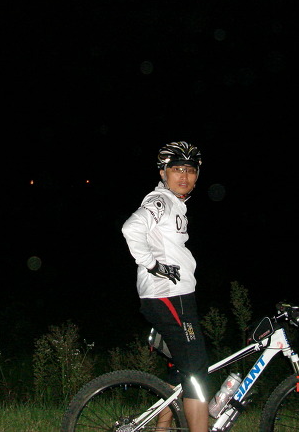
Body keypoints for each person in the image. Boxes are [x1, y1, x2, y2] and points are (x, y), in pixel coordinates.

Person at [121, 140, 209, 432]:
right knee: (196, 372)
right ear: (163, 173)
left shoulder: (176, 204)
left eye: (190, 170)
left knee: (181, 367)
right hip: (169, 295)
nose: (184, 176)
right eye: (177, 169)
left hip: (178, 294)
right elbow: (131, 228)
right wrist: (153, 265)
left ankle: (162, 428)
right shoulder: (161, 201)